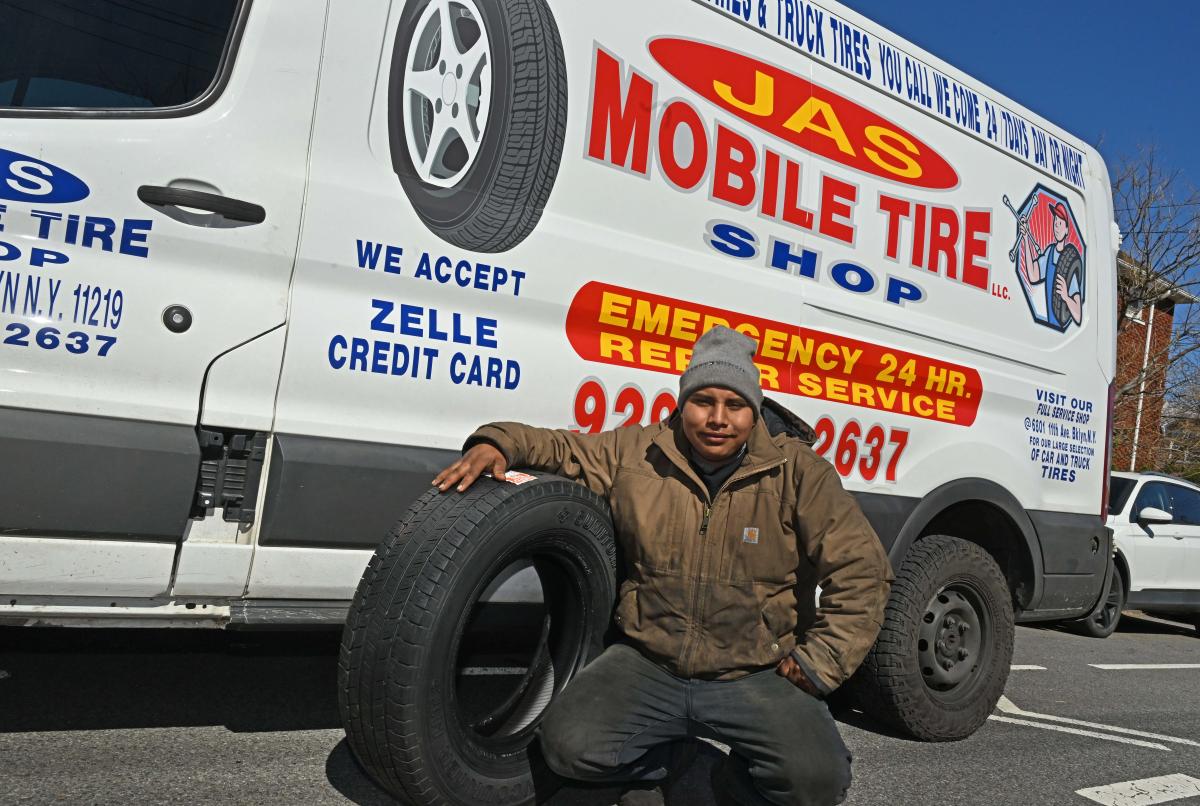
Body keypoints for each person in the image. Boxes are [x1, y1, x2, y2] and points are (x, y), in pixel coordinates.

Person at [434, 326, 893, 806]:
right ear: (683, 402)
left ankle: (717, 786)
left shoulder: (798, 472)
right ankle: (678, 762)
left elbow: (862, 570)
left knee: (817, 780)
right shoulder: (639, 453)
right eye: (703, 402)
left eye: (734, 405)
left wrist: (820, 661)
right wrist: (496, 443)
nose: (718, 419)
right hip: (649, 662)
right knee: (567, 748)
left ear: (754, 411)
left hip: (753, 672)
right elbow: (563, 449)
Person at [1018, 199, 1083, 326]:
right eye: (1055, 223)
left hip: (1060, 327)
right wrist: (1025, 238)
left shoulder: (1070, 263)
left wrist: (1066, 296)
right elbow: (1032, 275)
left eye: (1060, 223)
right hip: (1049, 324)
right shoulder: (1049, 252)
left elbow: (1078, 315)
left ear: (1066, 230)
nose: (1057, 227)